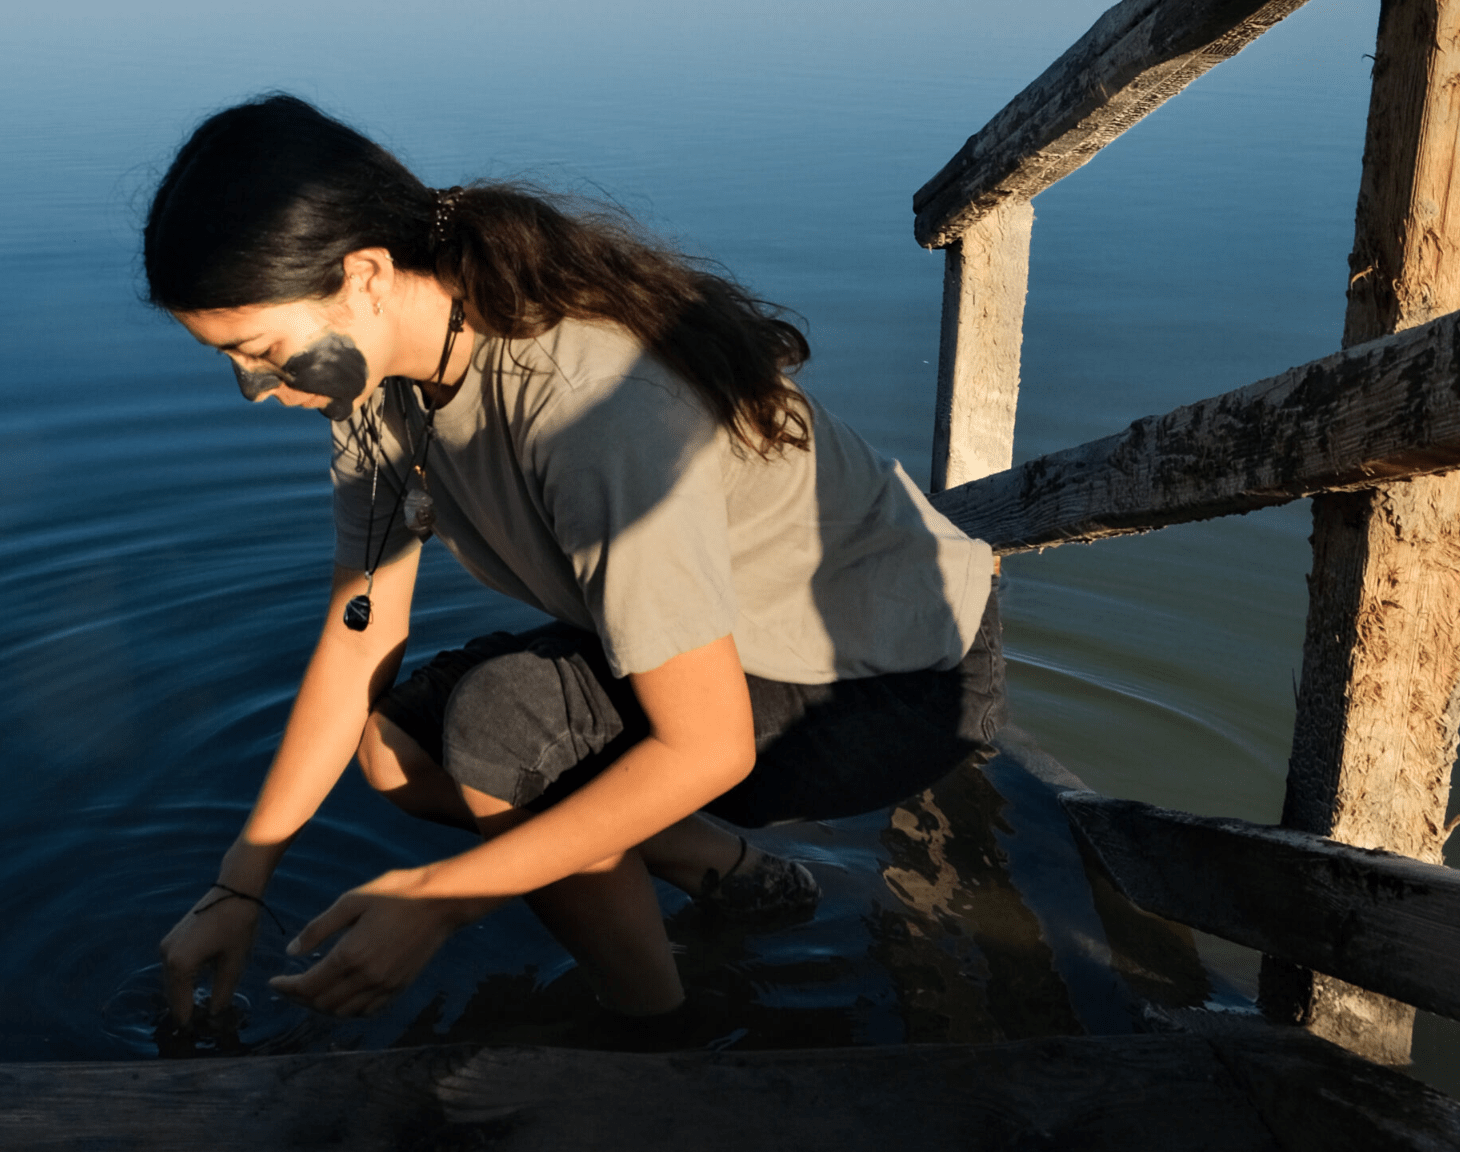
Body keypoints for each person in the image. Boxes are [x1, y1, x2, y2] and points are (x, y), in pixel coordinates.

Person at [145, 94, 1003, 1032]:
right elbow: (360, 640)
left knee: (505, 731)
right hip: (743, 646)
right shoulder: (378, 388)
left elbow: (708, 743)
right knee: (397, 743)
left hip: (886, 678)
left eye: (263, 351)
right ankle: (735, 876)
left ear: (366, 275)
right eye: (230, 362)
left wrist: (441, 899)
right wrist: (240, 883)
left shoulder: (590, 404)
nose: (256, 390)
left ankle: (667, 1035)